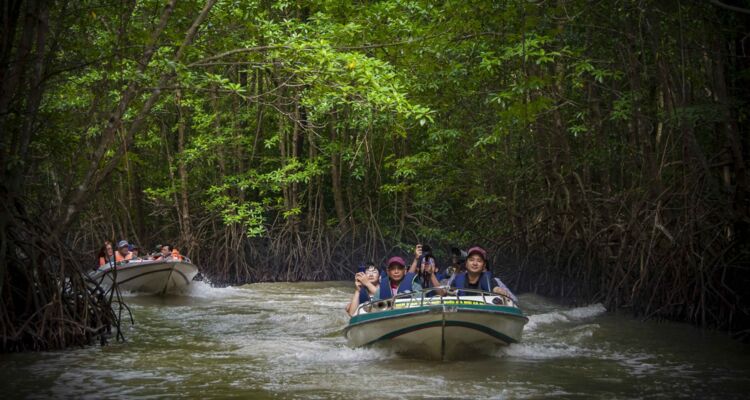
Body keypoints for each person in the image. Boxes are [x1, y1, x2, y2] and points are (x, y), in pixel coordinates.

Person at [449, 246, 517, 302]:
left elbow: (495, 288)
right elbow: (448, 295)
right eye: (471, 260)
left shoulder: (490, 280)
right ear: (466, 263)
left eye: (479, 261)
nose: (475, 263)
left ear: (484, 266)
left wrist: (500, 292)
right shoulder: (456, 280)